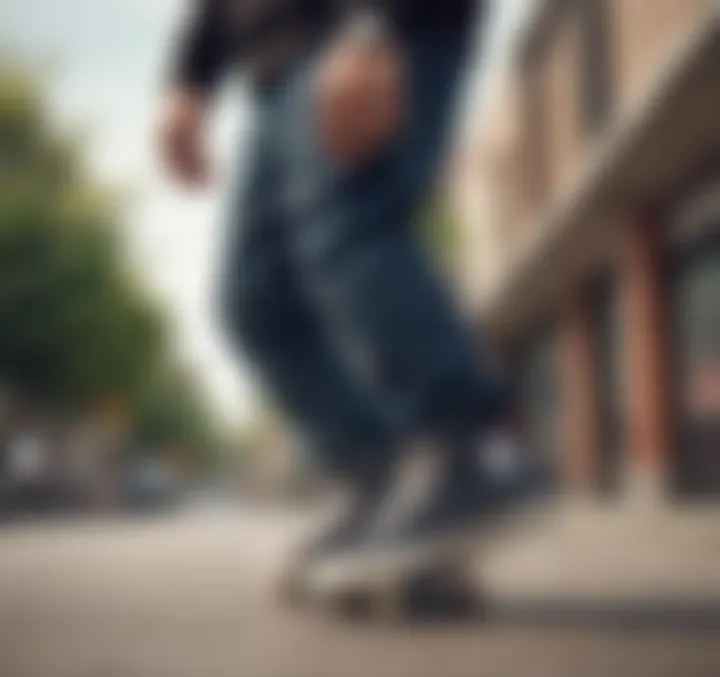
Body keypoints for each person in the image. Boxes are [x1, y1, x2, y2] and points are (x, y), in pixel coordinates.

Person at [159, 0, 528, 580]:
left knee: (349, 228)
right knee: (256, 301)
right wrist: (189, 81)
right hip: (272, 69)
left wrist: (370, 27)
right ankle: (376, 477)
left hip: (369, 33)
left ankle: (478, 450)